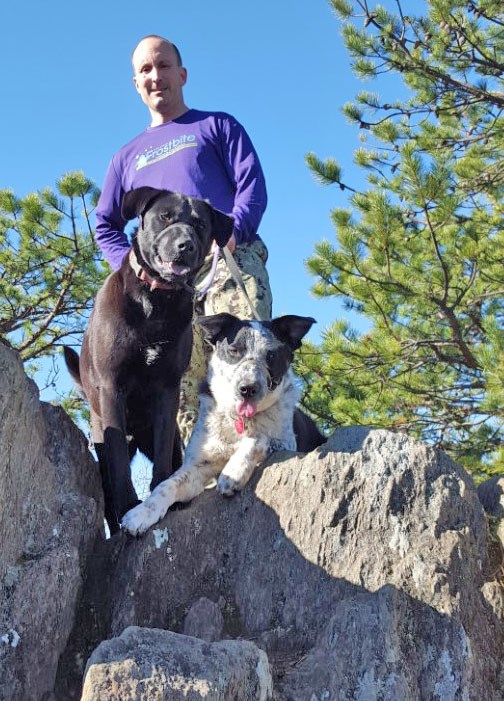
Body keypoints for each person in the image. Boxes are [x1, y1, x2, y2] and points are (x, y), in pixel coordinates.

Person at [95, 35, 272, 443]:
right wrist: (134, 270)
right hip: (163, 285)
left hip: (227, 260)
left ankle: (259, 449)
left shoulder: (217, 126)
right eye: (145, 70)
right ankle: (202, 478)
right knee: (180, 384)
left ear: (182, 74)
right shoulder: (126, 158)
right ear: (135, 83)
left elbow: (252, 188)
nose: (155, 76)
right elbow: (105, 223)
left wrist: (231, 239)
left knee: (243, 352)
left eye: (163, 66)